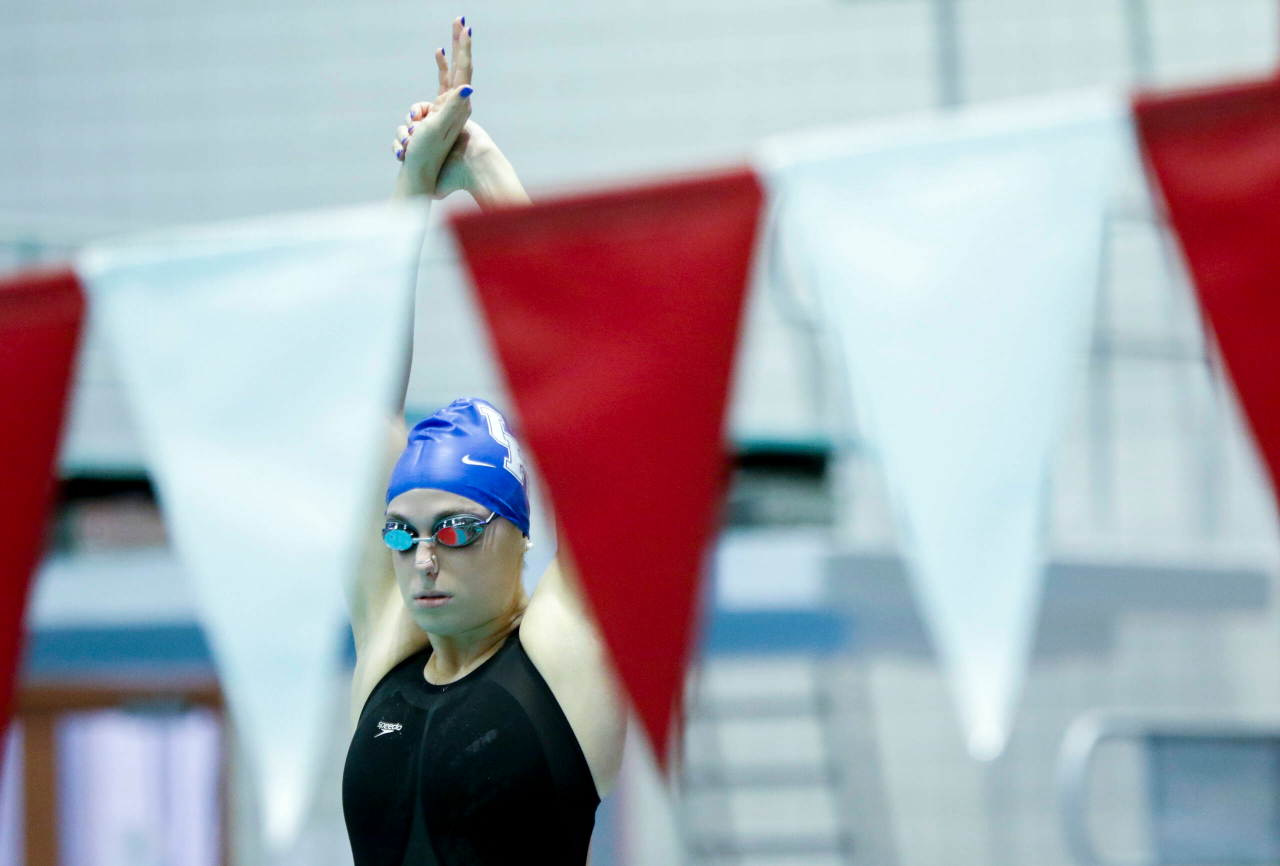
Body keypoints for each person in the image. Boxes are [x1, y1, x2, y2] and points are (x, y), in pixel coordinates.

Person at [341, 17, 628, 866]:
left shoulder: (559, 659)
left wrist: (487, 173)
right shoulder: (389, 653)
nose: (422, 559)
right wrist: (413, 192)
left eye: (457, 529)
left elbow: (592, 398)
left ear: (518, 537)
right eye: (405, 531)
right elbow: (362, 417)